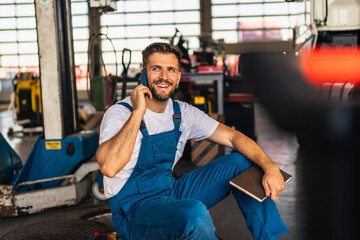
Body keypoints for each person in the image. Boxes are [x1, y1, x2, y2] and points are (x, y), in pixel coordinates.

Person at [96, 42, 289, 240]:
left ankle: (269, 237)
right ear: (143, 74)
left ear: (178, 77)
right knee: (194, 214)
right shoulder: (120, 113)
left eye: (171, 70)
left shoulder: (182, 112)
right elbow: (109, 167)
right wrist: (138, 112)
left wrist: (270, 166)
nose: (164, 77)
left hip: (169, 193)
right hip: (133, 212)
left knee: (243, 163)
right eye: (156, 69)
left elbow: (233, 137)